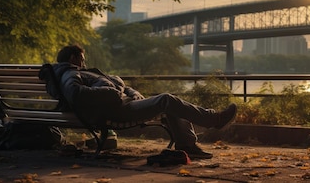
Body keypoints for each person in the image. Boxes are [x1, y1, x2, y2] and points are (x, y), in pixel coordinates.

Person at [48, 44, 237, 159]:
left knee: (167, 101)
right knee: (166, 100)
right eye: (82, 59)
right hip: (115, 111)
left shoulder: (77, 73)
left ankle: (187, 145)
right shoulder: (69, 74)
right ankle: (213, 119)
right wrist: (113, 93)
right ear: (73, 58)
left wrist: (133, 92)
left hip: (123, 104)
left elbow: (115, 85)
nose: (84, 62)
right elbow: (77, 94)